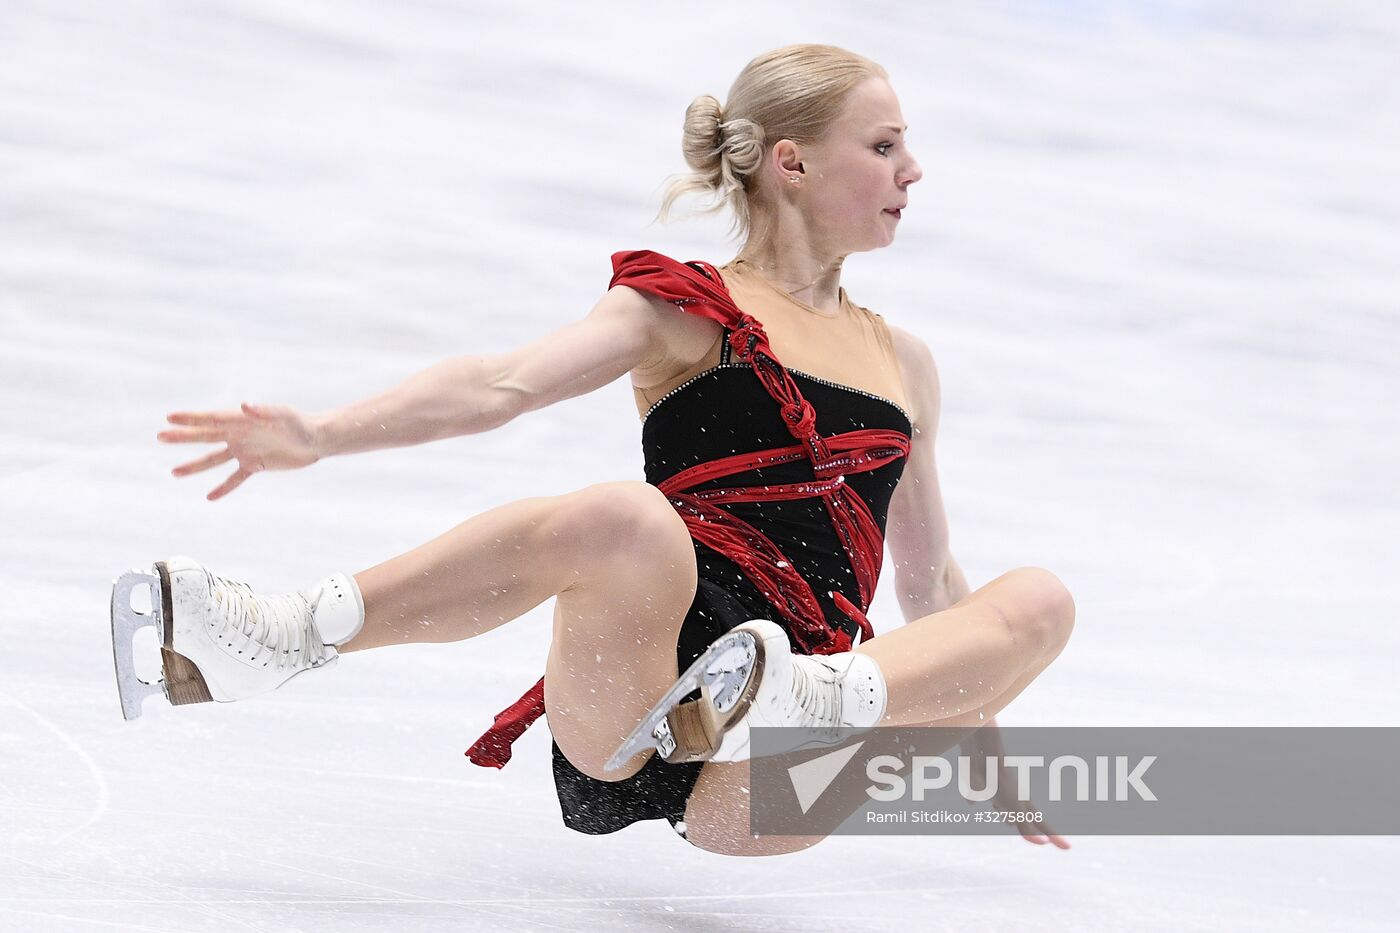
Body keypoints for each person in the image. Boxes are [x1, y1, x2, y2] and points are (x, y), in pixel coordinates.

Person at [128, 44, 1075, 857]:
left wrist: (978, 736)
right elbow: (504, 383)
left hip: (777, 768)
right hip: (637, 702)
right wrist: (322, 434)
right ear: (791, 162)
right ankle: (286, 632)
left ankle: (802, 695)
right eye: (884, 146)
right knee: (626, 517)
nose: (913, 169)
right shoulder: (689, 308)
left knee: (1039, 598)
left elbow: (930, 589)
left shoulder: (906, 364)